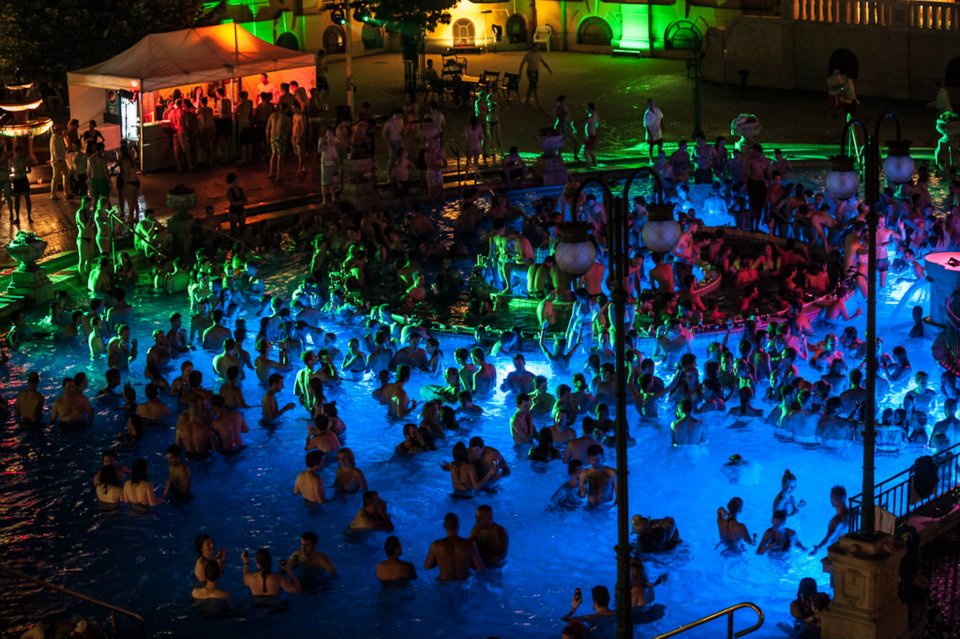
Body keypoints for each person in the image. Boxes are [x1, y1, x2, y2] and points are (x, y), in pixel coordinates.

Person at [424, 512, 484, 581]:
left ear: (444, 525)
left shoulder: (436, 545)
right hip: (464, 583)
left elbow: (427, 566)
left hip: (445, 583)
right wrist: (467, 561)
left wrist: (440, 560)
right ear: (458, 525)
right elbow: (480, 568)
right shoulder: (470, 545)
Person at [809, 486, 847, 555]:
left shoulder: (837, 520)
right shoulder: (852, 514)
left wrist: (818, 548)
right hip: (846, 549)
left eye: (831, 497)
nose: (830, 500)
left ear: (835, 499)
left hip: (836, 553)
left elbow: (828, 539)